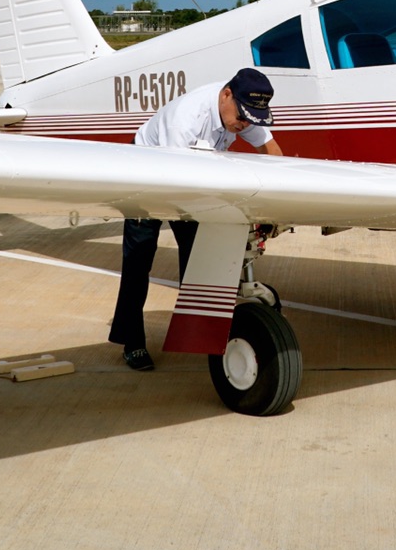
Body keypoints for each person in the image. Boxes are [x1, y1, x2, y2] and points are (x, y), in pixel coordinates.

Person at [111, 68, 283, 370]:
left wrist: (274, 204)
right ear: (226, 94)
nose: (244, 126)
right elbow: (180, 181)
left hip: (190, 176)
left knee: (199, 258)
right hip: (148, 171)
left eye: (250, 120)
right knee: (139, 258)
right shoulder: (187, 118)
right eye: (242, 118)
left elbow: (271, 151)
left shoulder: (239, 110)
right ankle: (132, 341)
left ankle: (199, 333)